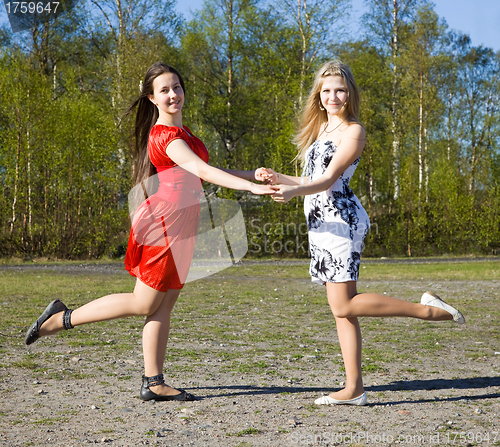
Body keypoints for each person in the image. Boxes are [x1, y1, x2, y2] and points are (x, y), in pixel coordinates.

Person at [25, 62, 273, 402]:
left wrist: (251, 175)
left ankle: (153, 382)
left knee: (163, 305)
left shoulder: (187, 135)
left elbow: (205, 171)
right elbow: (200, 168)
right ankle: (60, 318)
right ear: (152, 98)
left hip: (184, 225)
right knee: (144, 302)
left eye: (177, 87)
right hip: (165, 225)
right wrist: (250, 190)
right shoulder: (165, 137)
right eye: (165, 90)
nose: (173, 94)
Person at [263, 61, 465, 406]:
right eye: (326, 91)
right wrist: (278, 178)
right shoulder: (321, 132)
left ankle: (430, 311)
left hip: (341, 221)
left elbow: (328, 181)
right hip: (321, 224)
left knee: (343, 304)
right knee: (342, 310)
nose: (332, 96)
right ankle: (354, 388)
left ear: (350, 93)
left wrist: (294, 192)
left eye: (339, 89)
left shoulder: (353, 131)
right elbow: (309, 180)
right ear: (318, 95)